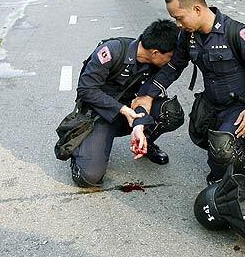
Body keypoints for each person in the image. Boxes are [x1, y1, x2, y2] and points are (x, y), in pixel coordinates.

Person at [133, 0, 245, 184]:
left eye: (179, 18)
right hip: (212, 103)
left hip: (241, 105)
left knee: (223, 150)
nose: (177, 24)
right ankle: (235, 149)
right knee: (199, 134)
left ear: (197, 9)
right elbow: (174, 67)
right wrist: (148, 95)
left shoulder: (236, 33)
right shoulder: (188, 36)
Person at [69, 20, 185, 188]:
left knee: (171, 112)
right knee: (89, 177)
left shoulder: (155, 64)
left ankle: (145, 141)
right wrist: (121, 109)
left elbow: (145, 97)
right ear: (155, 53)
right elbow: (86, 89)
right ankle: (81, 149)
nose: (170, 62)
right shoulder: (112, 51)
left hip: (131, 110)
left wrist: (139, 126)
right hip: (101, 114)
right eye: (169, 57)